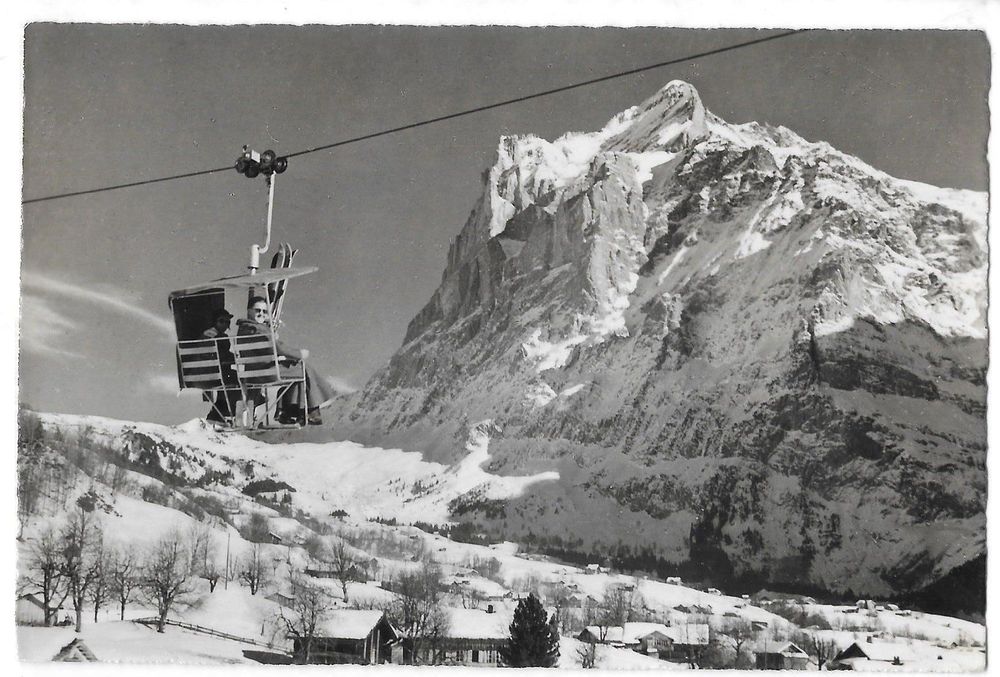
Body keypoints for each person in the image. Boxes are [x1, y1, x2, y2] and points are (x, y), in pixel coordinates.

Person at [236, 296, 335, 425]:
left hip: (251, 373)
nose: (261, 314)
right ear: (249, 311)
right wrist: (299, 353)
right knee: (302, 368)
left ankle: (291, 411)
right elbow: (279, 348)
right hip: (265, 372)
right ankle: (305, 410)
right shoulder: (259, 329)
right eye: (258, 310)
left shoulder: (244, 329)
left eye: (265, 311)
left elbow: (267, 349)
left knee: (298, 371)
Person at [202, 309, 238, 423]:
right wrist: (236, 357)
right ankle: (223, 411)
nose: (225, 324)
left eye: (227, 322)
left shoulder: (206, 334)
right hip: (213, 372)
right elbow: (221, 356)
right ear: (214, 322)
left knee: (230, 376)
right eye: (221, 321)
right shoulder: (218, 337)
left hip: (205, 373)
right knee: (237, 379)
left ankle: (220, 410)